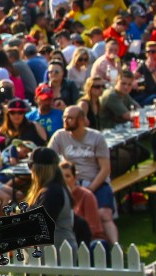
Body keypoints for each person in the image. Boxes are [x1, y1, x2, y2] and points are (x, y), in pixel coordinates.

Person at [49, 105, 116, 245]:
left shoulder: (96, 137)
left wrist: (90, 189)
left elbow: (105, 169)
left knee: (104, 214)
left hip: (96, 181)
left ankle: (116, 247)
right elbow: (48, 159)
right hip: (71, 183)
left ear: (81, 120)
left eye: (70, 118)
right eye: (64, 117)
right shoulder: (60, 136)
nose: (66, 121)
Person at [24, 147, 75, 248]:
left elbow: (42, 226)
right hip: (57, 250)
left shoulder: (52, 192)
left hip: (56, 252)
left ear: (37, 168)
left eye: (30, 165)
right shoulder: (56, 188)